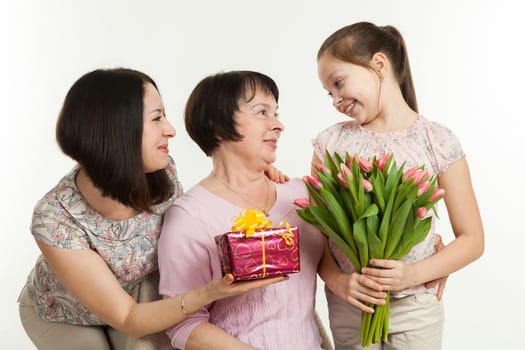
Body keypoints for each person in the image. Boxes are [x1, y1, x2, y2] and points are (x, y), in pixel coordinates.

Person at [18, 68, 289, 350]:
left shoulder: (162, 172)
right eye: (157, 118)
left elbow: (205, 201)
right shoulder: (54, 218)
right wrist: (210, 292)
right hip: (65, 316)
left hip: (144, 299)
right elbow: (127, 317)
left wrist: (251, 174)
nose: (170, 129)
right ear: (116, 128)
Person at [313, 22, 484, 349]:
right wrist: (337, 280)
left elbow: (472, 238)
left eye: (338, 83)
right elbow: (317, 233)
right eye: (329, 93)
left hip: (415, 305)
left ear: (378, 65)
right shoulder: (330, 144)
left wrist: (413, 275)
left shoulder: (437, 141)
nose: (335, 99)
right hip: (352, 304)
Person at [158, 70, 328, 350]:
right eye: (262, 112)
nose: (278, 125)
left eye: (276, 113)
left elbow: (336, 266)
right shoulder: (190, 216)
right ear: (217, 127)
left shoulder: (300, 195)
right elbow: (182, 323)